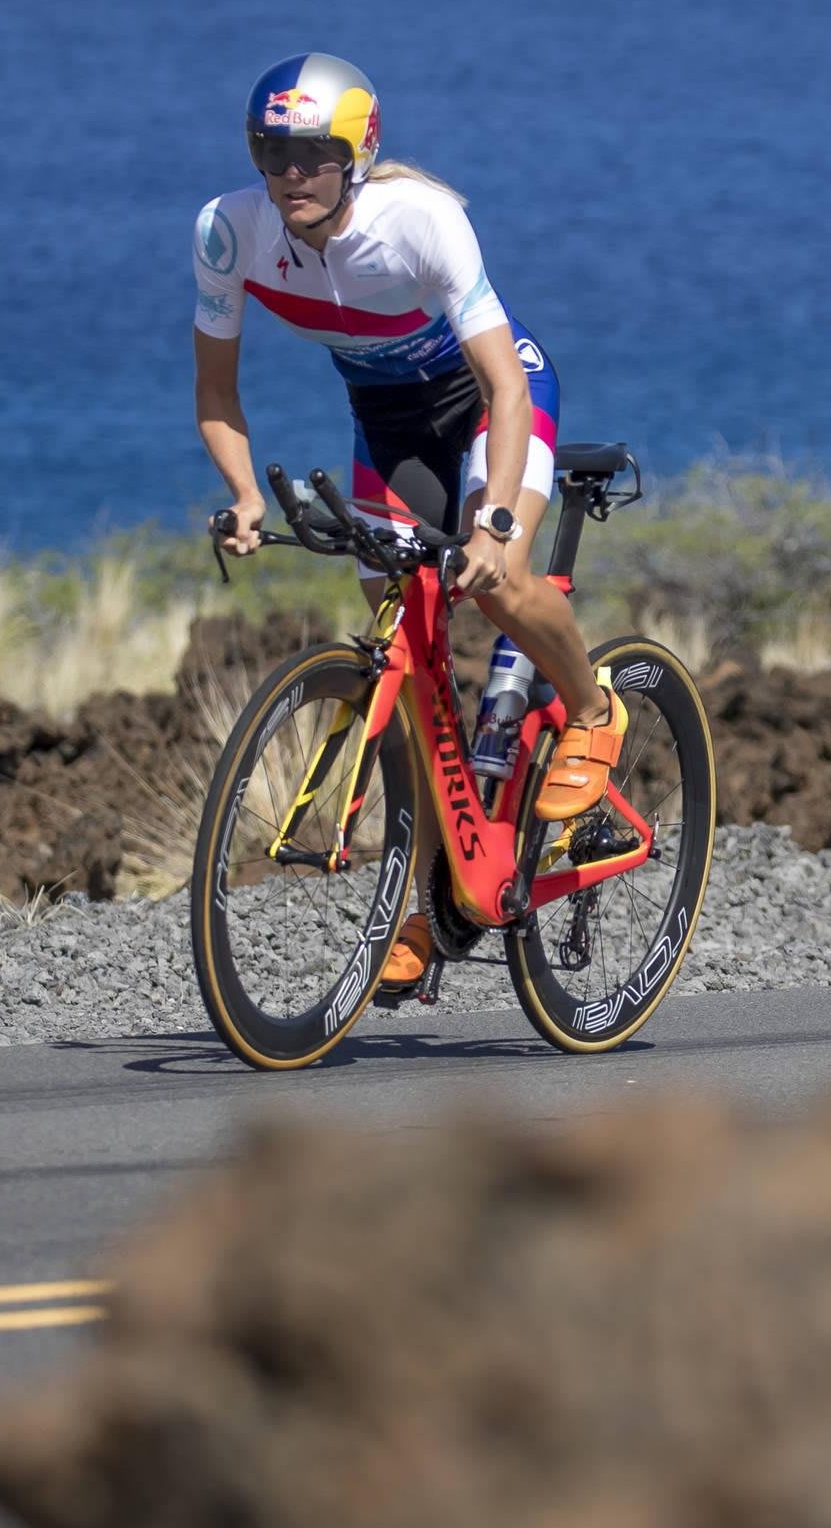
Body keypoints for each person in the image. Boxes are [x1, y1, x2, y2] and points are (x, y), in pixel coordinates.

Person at [191, 51, 621, 981]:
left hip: (490, 401)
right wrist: (244, 497)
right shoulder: (230, 231)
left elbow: (506, 386)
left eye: (313, 154)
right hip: (386, 428)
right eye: (271, 152)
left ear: (359, 152)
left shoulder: (422, 223)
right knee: (407, 654)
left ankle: (592, 709)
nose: (290, 174)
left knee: (498, 580)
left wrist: (495, 522)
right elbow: (216, 395)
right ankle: (435, 899)